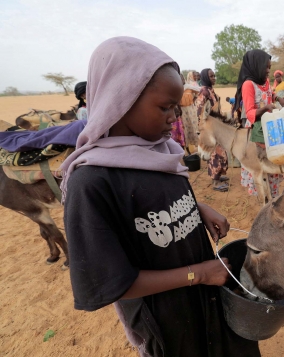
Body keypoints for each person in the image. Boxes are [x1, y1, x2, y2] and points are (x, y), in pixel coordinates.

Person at [60, 36, 260, 357]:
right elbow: (114, 282)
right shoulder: (93, 182)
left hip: (204, 295)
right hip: (166, 317)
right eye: (164, 107)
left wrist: (198, 207)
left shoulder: (161, 151)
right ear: (119, 100)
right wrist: (201, 273)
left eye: (175, 107)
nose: (174, 117)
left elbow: (157, 201)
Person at [233, 49, 284, 198]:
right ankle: (265, 199)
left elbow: (269, 94)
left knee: (273, 164)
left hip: (270, 128)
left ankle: (273, 198)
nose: (269, 70)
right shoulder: (248, 85)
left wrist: (278, 99)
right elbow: (249, 113)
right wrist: (266, 108)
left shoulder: (265, 81)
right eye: (266, 67)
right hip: (257, 133)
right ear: (256, 65)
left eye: (270, 67)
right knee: (261, 167)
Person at [196, 68, 229, 192]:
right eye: (211, 76)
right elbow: (200, 112)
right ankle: (215, 182)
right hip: (210, 128)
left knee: (221, 152)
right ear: (205, 77)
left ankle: (219, 176)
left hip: (216, 126)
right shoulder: (204, 92)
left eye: (214, 75)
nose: (214, 78)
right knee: (215, 154)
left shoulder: (210, 90)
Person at [180, 71, 201, 151]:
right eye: (179, 78)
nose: (181, 79)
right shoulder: (178, 88)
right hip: (182, 110)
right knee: (185, 128)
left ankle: (198, 145)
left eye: (182, 78)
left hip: (191, 109)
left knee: (194, 126)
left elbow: (198, 92)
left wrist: (193, 100)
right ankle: (187, 148)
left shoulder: (189, 87)